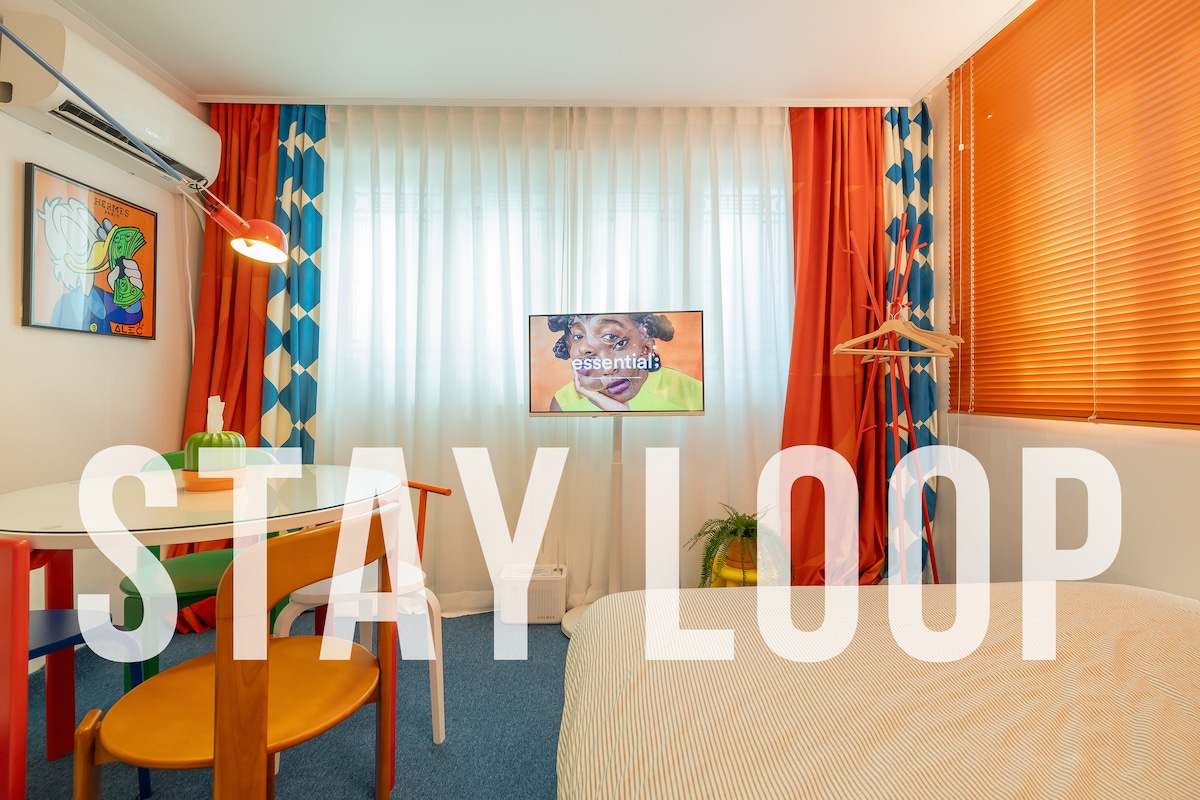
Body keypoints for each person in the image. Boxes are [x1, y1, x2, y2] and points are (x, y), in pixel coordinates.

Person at [546, 313, 703, 412]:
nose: (607, 369)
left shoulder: (695, 394)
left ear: (646, 348)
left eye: (616, 341)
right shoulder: (563, 403)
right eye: (578, 337)